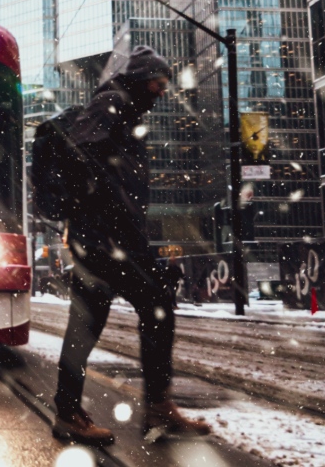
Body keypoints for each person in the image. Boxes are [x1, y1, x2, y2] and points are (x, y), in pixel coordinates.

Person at [53, 46, 211, 444]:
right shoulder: (113, 103)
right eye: (158, 82)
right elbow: (83, 154)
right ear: (142, 78)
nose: (162, 91)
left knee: (86, 324)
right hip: (108, 238)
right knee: (156, 305)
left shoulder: (122, 108)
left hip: (103, 237)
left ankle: (70, 410)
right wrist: (112, 207)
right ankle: (156, 408)